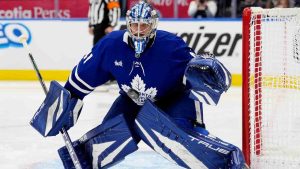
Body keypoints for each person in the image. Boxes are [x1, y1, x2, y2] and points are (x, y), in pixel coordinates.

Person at [30, 1, 248, 169]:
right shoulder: (110, 46)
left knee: (176, 137)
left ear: (153, 26)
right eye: (134, 25)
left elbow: (194, 79)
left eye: (144, 25)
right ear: (128, 24)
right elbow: (77, 84)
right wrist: (62, 109)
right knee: (103, 143)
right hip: (132, 100)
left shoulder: (172, 47)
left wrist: (198, 119)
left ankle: (227, 158)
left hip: (172, 100)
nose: (138, 30)